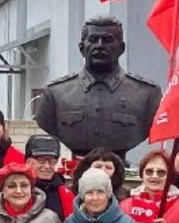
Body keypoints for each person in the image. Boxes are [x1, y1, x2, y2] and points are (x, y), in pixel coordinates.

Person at [36, 16, 162, 160]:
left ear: (121, 48)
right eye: (93, 39)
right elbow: (45, 127)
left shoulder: (147, 94)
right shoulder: (55, 94)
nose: (100, 45)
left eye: (108, 40)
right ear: (81, 48)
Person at [25, 134, 74, 219]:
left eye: (52, 161)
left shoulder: (65, 193)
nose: (47, 166)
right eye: (41, 160)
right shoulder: (18, 190)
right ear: (28, 162)